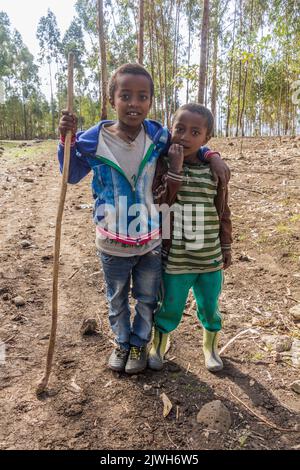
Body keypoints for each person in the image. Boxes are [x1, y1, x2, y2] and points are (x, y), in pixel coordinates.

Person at [58, 63, 229, 375]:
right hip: (112, 241)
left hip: (150, 239)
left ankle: (141, 342)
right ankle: (122, 342)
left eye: (142, 96)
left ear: (151, 102)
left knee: (148, 299)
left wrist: (212, 156)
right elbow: (70, 174)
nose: (133, 103)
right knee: (117, 299)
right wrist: (65, 140)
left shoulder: (157, 135)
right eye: (125, 95)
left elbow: (188, 146)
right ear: (112, 99)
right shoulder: (94, 139)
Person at [149, 103, 232, 373]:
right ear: (171, 130)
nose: (185, 136)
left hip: (209, 258)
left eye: (194, 132)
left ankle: (210, 347)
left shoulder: (214, 171)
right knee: (169, 306)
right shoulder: (164, 164)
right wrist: (174, 169)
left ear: (205, 139)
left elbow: (223, 211)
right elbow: (160, 202)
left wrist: (226, 245)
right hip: (177, 258)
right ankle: (159, 345)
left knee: (210, 306)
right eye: (179, 129)